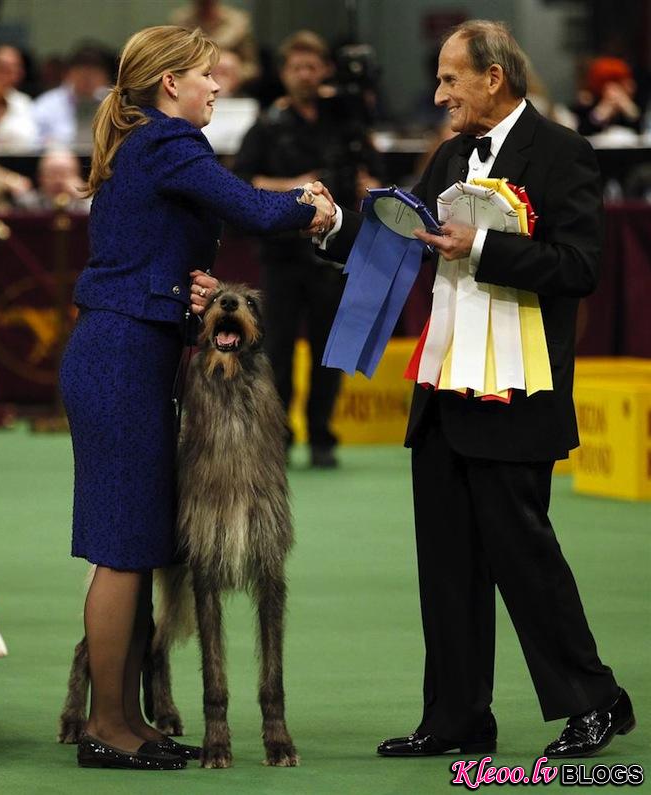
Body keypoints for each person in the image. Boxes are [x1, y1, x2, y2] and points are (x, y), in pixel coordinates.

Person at [309, 19, 634, 759]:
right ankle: (456, 718)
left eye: (452, 78)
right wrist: (334, 228)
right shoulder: (452, 154)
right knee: (447, 566)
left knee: (525, 558)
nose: (439, 92)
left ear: (495, 77)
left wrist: (484, 247)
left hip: (518, 394)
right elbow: (401, 239)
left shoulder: (563, 152)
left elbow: (580, 266)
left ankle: (594, 699)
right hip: (443, 393)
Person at [59, 25, 333, 772]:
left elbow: (137, 256)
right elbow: (251, 207)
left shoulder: (139, 142)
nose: (219, 86)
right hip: (119, 362)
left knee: (138, 545)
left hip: (125, 353)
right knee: (122, 552)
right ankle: (108, 725)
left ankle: (131, 717)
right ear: (171, 82)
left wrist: (184, 294)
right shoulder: (171, 142)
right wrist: (313, 205)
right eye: (208, 75)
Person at [234, 30, 383, 468]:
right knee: (275, 351)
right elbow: (242, 184)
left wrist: (366, 188)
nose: (304, 74)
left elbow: (376, 175)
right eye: (296, 67)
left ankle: (323, 436)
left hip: (334, 254)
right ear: (283, 74)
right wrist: (296, 187)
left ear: (325, 72)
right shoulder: (266, 126)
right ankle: (278, 438)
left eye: (312, 66)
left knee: (330, 351)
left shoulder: (346, 123)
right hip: (281, 256)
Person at [33, 45, 113, 150]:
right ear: (68, 74)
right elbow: (31, 141)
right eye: (82, 73)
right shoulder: (46, 104)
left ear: (105, 78)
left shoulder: (112, 103)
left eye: (94, 74)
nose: (87, 80)